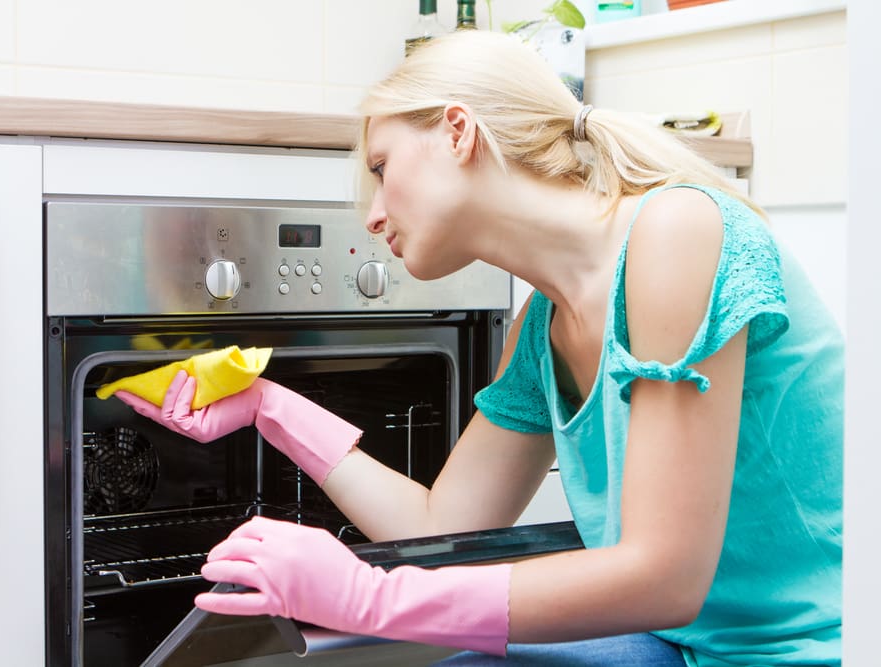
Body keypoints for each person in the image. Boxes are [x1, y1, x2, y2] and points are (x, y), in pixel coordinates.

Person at [116, 29, 843, 667]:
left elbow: (665, 575)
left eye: (379, 168)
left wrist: (371, 596)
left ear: (458, 132)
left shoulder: (677, 234)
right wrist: (269, 406)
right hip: (689, 646)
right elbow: (442, 524)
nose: (372, 215)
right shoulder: (543, 328)